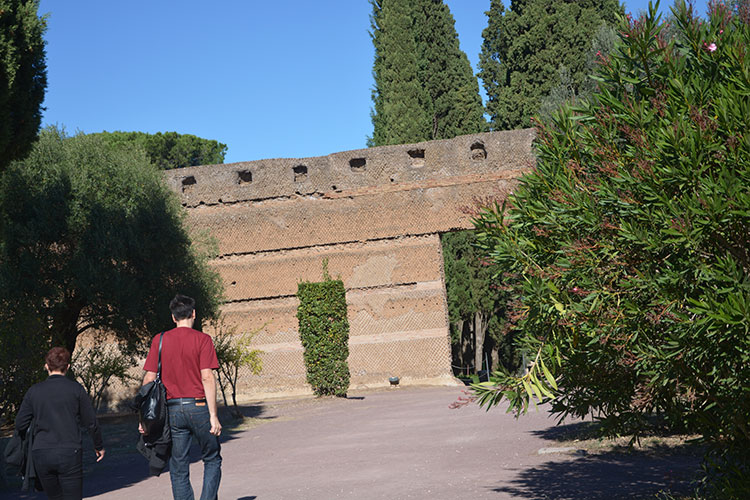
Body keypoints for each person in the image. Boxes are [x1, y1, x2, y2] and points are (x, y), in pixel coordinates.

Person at [141, 294, 222, 500]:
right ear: (193, 313)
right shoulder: (203, 340)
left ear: (173, 317)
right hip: (199, 407)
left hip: (172, 411)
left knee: (178, 466)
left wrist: (143, 419)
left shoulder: (159, 340)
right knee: (212, 458)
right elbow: (207, 377)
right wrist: (213, 415)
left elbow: (148, 379)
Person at [15, 347, 105, 500]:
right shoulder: (76, 389)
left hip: (42, 452)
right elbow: (91, 422)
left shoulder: (34, 391)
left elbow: (20, 423)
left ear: (46, 366)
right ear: (68, 367)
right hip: (70, 451)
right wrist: (98, 446)